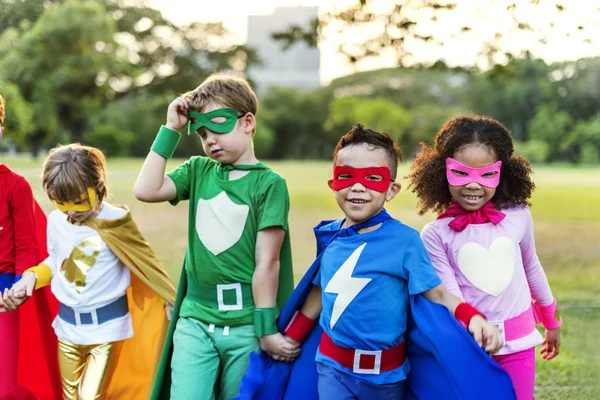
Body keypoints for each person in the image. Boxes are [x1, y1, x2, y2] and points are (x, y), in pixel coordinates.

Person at [256, 124, 505, 400]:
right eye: (346, 176)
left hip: (387, 375)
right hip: (332, 368)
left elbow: (436, 293)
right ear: (333, 185)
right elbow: (319, 295)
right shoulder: (332, 238)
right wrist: (291, 338)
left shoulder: (405, 241)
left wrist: (473, 318)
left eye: (373, 177)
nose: (358, 187)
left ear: (391, 190)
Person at [134, 74, 296, 400]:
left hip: (245, 326)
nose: (210, 140)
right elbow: (146, 190)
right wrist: (171, 129)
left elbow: (268, 262)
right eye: (203, 133)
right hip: (195, 321)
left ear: (247, 122)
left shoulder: (269, 184)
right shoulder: (198, 170)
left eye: (218, 127)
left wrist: (265, 327)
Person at [4, 143, 176, 400]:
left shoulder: (115, 221)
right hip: (68, 329)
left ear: (98, 186)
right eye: (61, 203)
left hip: (107, 330)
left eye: (79, 202)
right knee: (70, 396)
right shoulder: (57, 221)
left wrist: (169, 299)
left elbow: (147, 265)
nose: (72, 212)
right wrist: (32, 275)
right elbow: (55, 261)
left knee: (90, 397)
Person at [407, 114, 562, 399]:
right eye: (461, 173)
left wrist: (552, 322)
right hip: (468, 347)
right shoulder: (435, 233)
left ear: (503, 172)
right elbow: (449, 295)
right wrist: (475, 330)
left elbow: (532, 267)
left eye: (486, 174)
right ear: (442, 172)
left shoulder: (518, 217)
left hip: (519, 344)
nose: (473, 185)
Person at [0, 94, 61, 400]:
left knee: (7, 386)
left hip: (4, 292)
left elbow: (26, 245)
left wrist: (20, 284)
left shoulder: (14, 185)